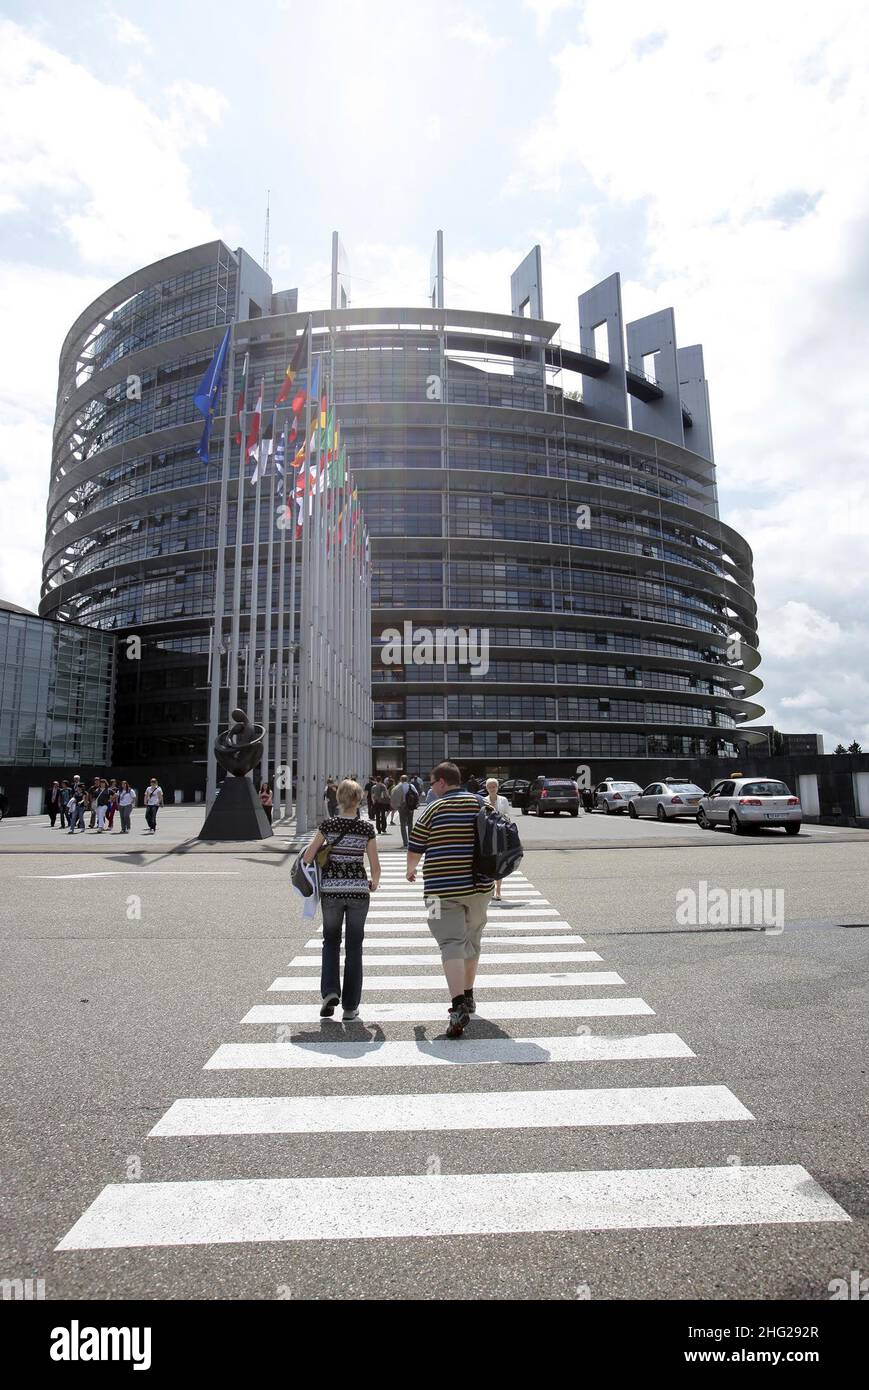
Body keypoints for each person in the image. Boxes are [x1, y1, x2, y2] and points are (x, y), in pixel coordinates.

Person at [407, 761, 494, 1038]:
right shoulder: (482, 804)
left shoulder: (433, 808)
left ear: (442, 782)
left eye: (432, 783)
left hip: (438, 890)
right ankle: (468, 995)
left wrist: (410, 869)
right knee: (473, 940)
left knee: (449, 943)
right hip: (481, 887)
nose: (430, 788)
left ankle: (457, 1006)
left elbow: (416, 845)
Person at [301, 778, 380, 1022]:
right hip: (357, 891)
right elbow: (375, 867)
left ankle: (330, 993)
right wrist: (373, 883)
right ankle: (350, 1006)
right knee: (355, 946)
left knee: (330, 941)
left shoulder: (328, 825)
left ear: (339, 799)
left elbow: (308, 856)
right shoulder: (367, 828)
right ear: (359, 800)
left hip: (332, 892)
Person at [482, 777, 513, 901]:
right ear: (487, 788)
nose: (492, 789)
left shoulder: (503, 800)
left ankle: (498, 891)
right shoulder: (483, 800)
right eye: (490, 787)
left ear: (497, 787)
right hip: (488, 836)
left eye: (494, 786)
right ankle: (490, 889)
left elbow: (507, 815)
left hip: (501, 834)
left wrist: (499, 816)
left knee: (500, 863)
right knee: (489, 863)